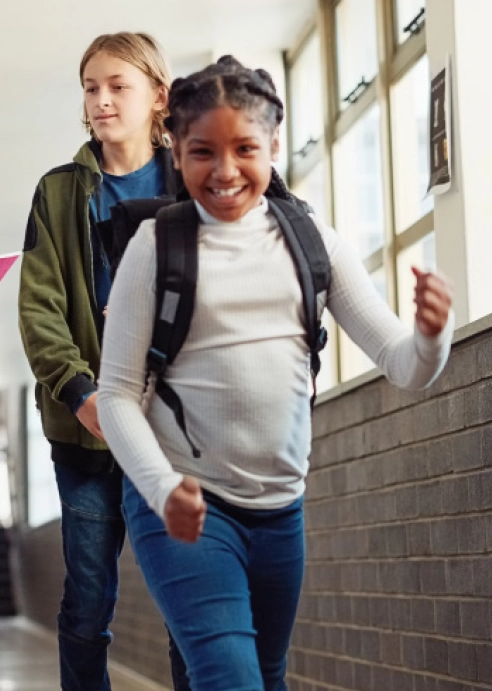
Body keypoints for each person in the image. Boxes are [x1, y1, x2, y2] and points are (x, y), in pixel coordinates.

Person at [97, 56, 454, 690]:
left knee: (264, 676)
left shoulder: (311, 242)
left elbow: (404, 365)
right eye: (203, 151)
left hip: (279, 511)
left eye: (245, 149)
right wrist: (159, 488)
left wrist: (431, 335)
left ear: (274, 146)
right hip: (186, 503)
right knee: (230, 679)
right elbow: (119, 395)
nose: (226, 170)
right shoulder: (156, 247)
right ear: (176, 151)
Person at [17, 31, 189, 690]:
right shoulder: (58, 192)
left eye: (119, 85)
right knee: (88, 607)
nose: (102, 99)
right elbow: (39, 309)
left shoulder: (190, 181)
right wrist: (81, 393)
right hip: (85, 435)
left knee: (186, 603)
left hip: (178, 434)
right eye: (91, 87)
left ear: (157, 97)